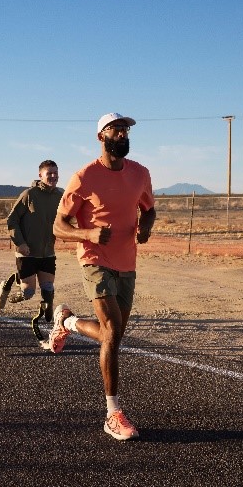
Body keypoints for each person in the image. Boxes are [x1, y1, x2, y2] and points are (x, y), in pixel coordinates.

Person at [48, 113, 156, 441]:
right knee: (110, 331)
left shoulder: (140, 173)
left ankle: (67, 322)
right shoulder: (84, 177)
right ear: (101, 136)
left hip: (127, 261)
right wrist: (89, 234)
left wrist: (145, 228)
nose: (122, 134)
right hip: (94, 259)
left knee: (115, 336)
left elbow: (149, 209)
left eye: (125, 130)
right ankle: (113, 413)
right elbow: (58, 226)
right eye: (116, 129)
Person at [0, 160, 63, 322]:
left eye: (55, 173)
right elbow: (12, 220)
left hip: (47, 251)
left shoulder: (60, 196)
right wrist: (20, 243)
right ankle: (8, 285)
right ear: (40, 175)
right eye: (49, 173)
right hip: (27, 252)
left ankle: (48, 310)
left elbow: (67, 217)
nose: (53, 176)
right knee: (28, 293)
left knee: (48, 288)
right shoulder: (29, 194)